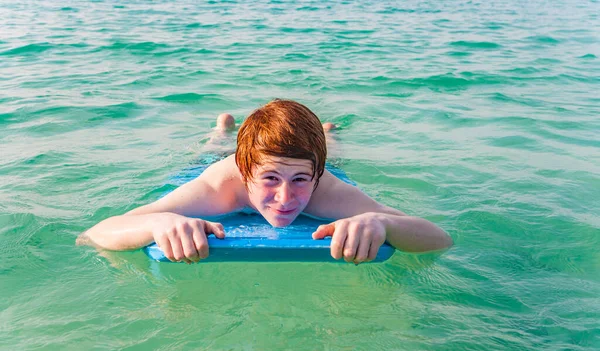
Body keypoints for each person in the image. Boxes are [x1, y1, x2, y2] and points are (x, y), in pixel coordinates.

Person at [77, 99, 452, 264]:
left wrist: (382, 222)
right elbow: (95, 233)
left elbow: (439, 239)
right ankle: (221, 131)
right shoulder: (218, 187)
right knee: (205, 154)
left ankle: (328, 135)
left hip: (320, 162)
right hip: (222, 162)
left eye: (301, 179)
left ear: (317, 176)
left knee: (334, 154)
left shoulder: (328, 191)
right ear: (244, 172)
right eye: (270, 179)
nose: (286, 198)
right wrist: (158, 223)